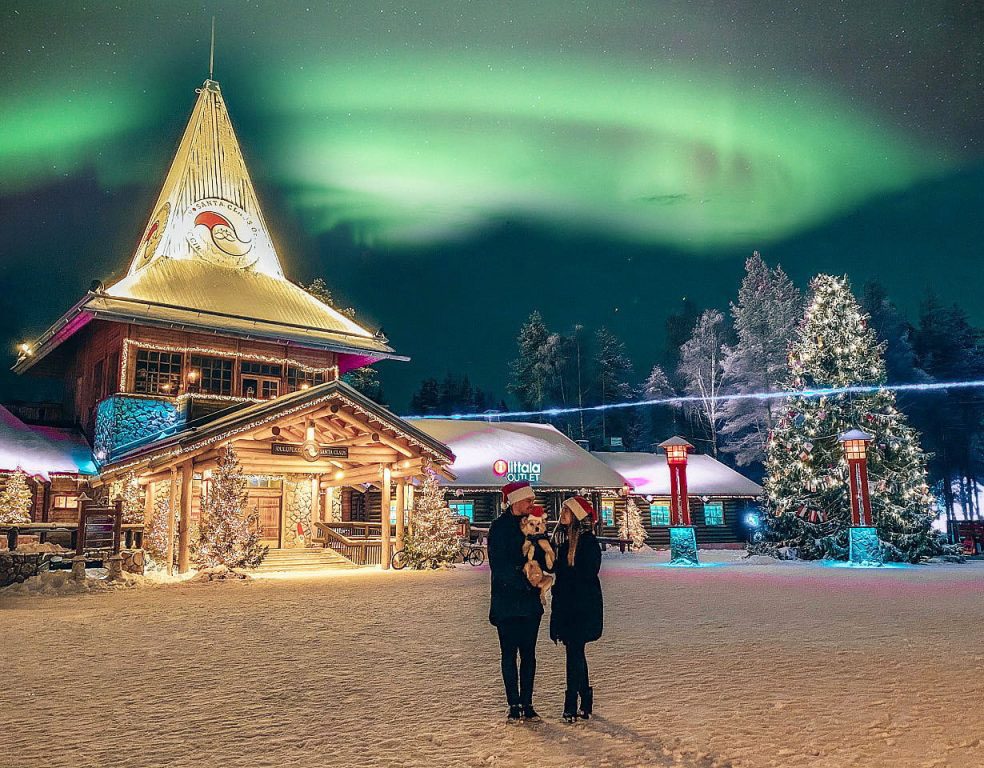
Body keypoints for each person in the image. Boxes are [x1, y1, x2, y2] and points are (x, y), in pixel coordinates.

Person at [488, 480, 544, 722]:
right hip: (507, 602)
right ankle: (513, 703)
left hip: (530, 603)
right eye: (528, 500)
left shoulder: (533, 524)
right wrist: (525, 580)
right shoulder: (499, 528)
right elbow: (498, 565)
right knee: (509, 654)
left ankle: (527, 702)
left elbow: (542, 556)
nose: (532, 503)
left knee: (529, 654)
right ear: (515, 501)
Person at [550, 495, 603, 723]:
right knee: (576, 653)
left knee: (574, 653)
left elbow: (585, 575)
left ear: (576, 516)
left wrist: (565, 584)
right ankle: (585, 699)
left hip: (581, 607)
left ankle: (571, 703)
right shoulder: (562, 542)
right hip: (567, 606)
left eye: (566, 511)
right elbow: (555, 570)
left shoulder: (588, 543)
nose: (561, 514)